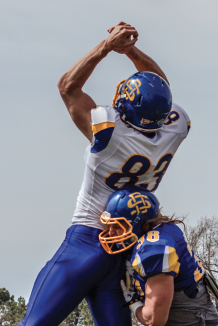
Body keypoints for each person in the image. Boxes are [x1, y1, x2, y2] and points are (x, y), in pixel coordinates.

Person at [18, 22, 190, 326]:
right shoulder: (175, 128)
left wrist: (107, 47)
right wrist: (132, 52)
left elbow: (67, 87)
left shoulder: (109, 133)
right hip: (127, 252)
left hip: (86, 243)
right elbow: (160, 86)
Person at [99, 187, 218, 326]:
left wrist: (134, 304)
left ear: (137, 223)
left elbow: (154, 319)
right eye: (109, 225)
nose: (111, 232)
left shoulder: (154, 250)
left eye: (117, 225)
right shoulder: (159, 230)